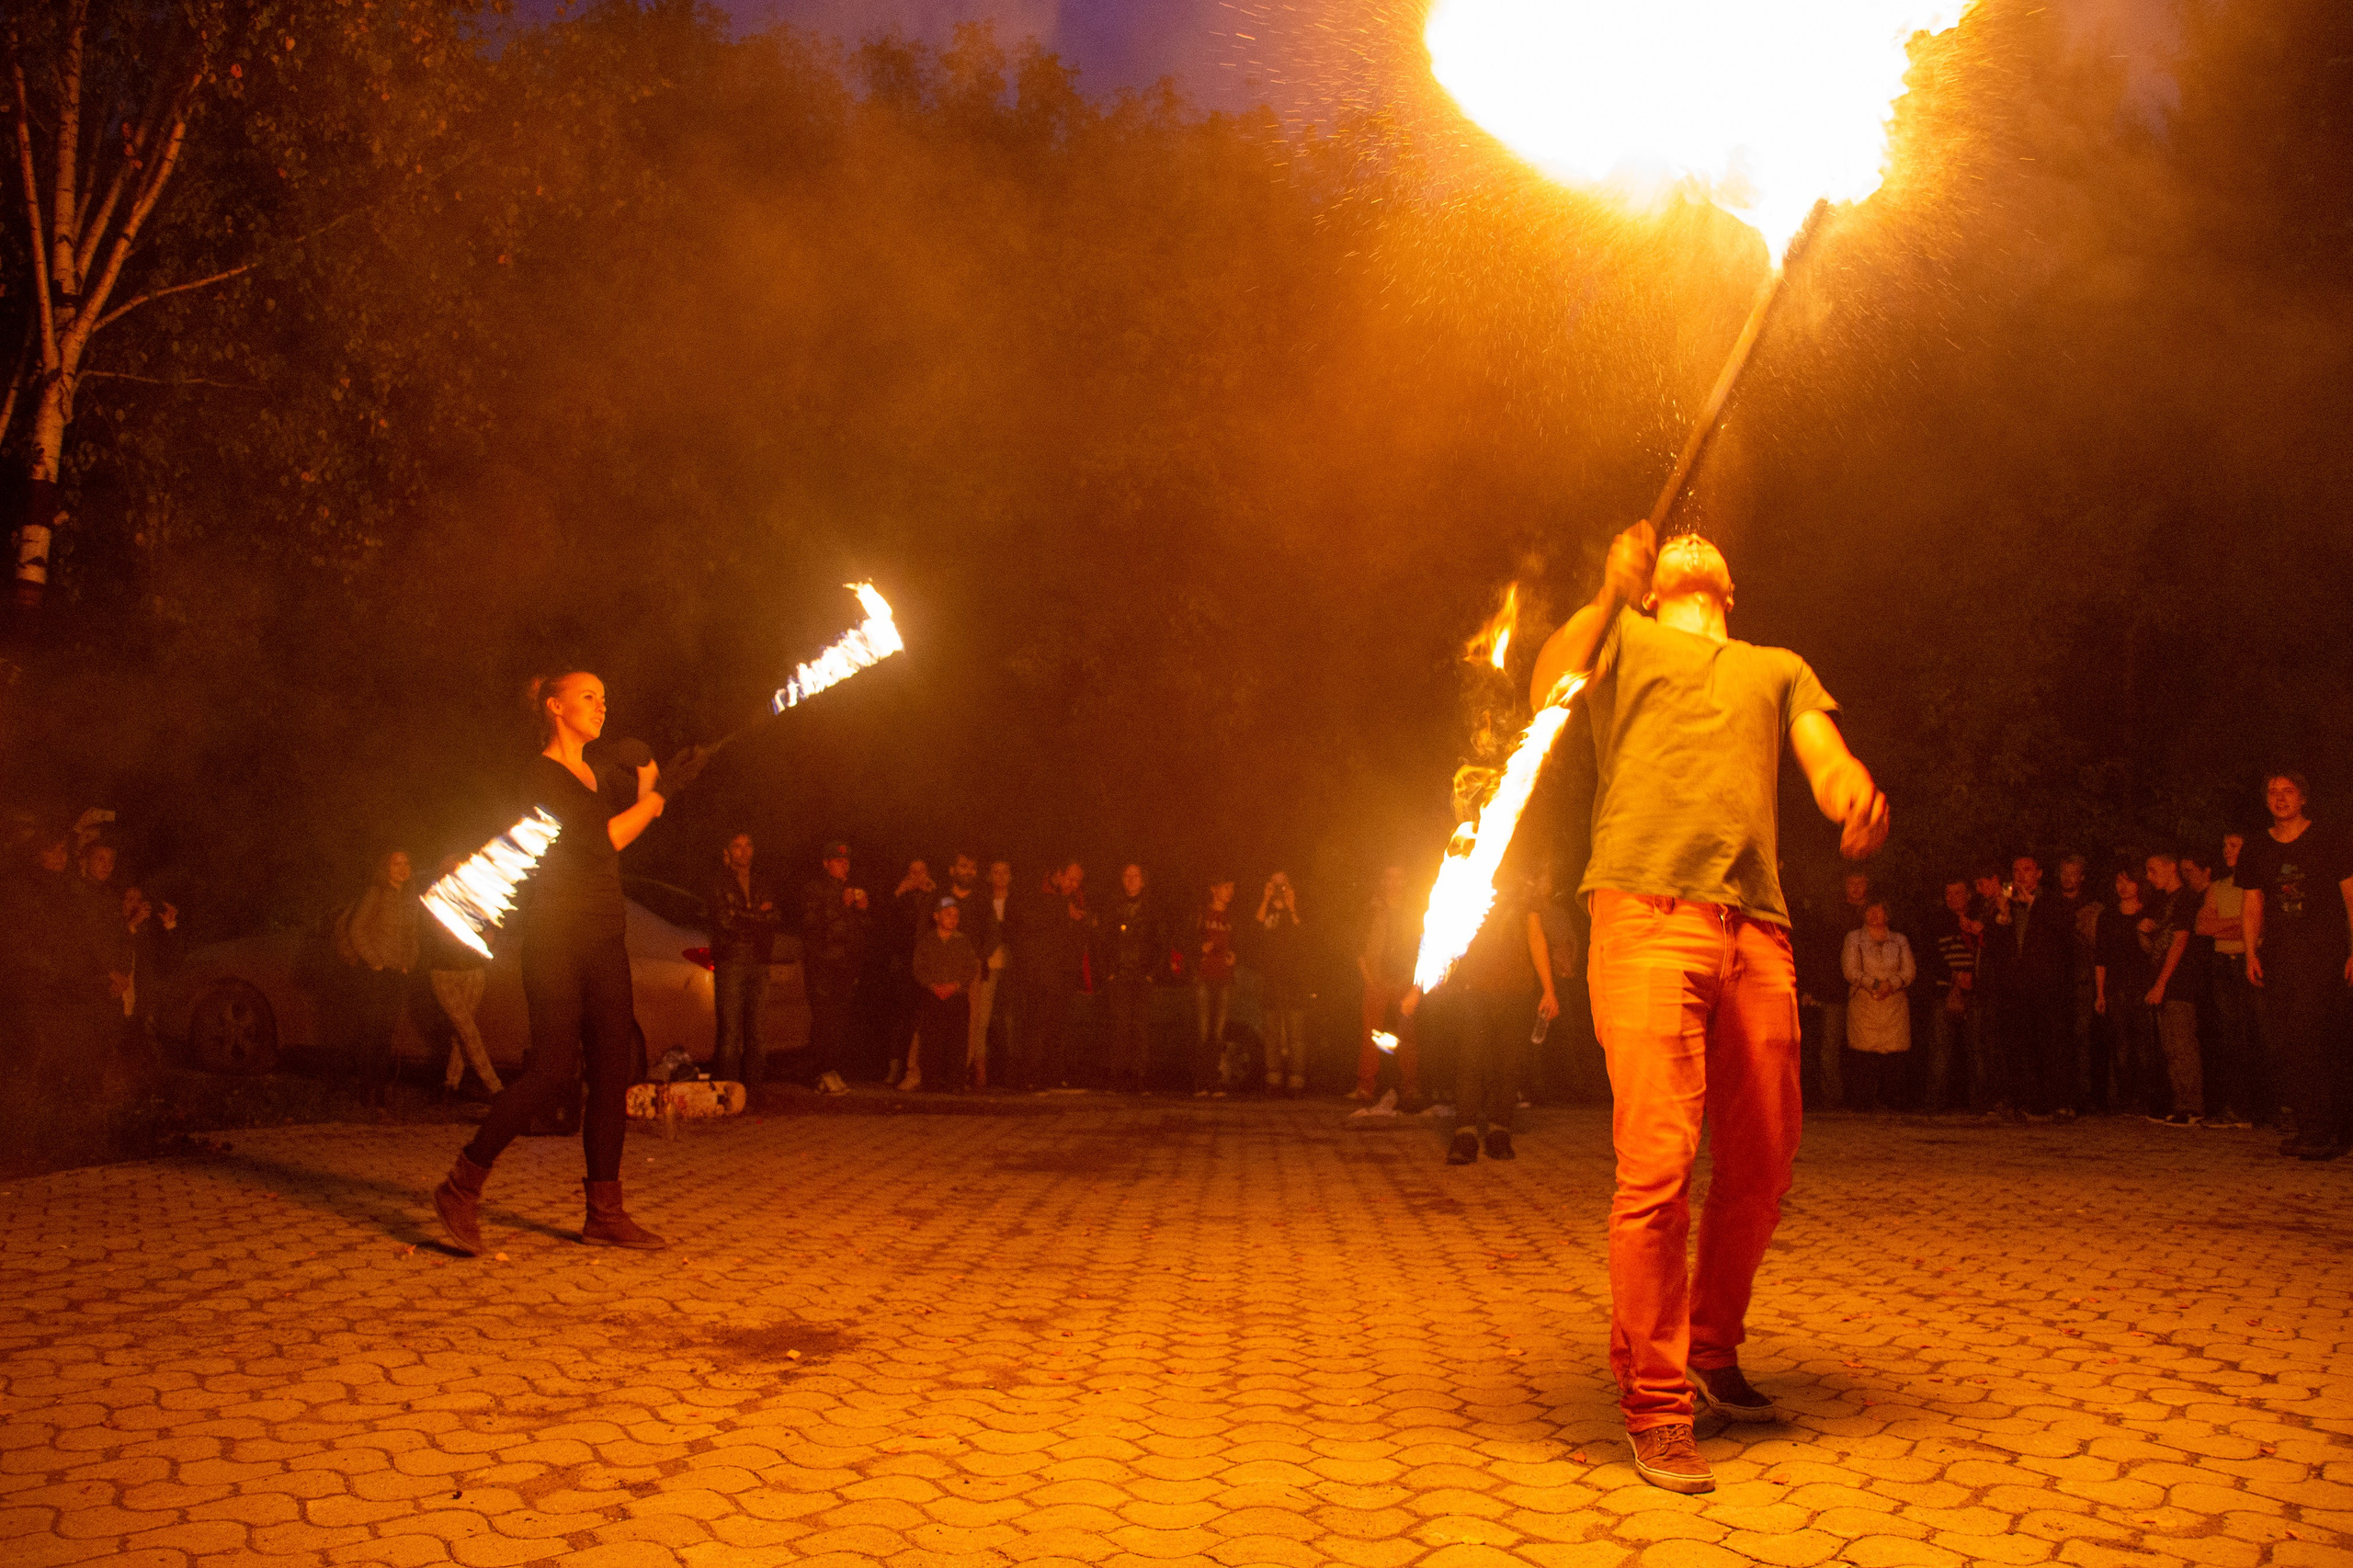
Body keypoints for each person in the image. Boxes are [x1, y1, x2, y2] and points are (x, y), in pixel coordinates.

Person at [1526, 521, 1887, 1494]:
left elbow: (1824, 759)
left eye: (1705, 541)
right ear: (1651, 584)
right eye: (1673, 544)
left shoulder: (1776, 666)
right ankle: (1654, 1402)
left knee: (1765, 1156)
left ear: (1730, 580)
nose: (1690, 542)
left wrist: (1852, 792)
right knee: (1658, 1168)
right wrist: (1606, 594)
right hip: (1644, 911)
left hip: (1754, 925)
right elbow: (1545, 691)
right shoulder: (1621, 636)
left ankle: (1711, 1343)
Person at [432, 668, 681, 1255]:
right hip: (555, 936)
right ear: (554, 706)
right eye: (588, 696)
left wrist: (650, 783)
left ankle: (604, 1212)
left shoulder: (591, 775)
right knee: (549, 1072)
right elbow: (604, 840)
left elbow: (613, 834)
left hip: (603, 936)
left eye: (605, 697)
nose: (601, 706)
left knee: (612, 1074)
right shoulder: (538, 775)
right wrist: (657, 798)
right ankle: (460, 1186)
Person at [2238, 773, 2353, 1160]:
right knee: (2289, 1043)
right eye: (2272, 792)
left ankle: (2328, 1130)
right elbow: (2253, 903)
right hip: (2281, 957)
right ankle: (2311, 1125)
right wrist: (2252, 952)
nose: (2280, 798)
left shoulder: (2329, 838)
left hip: (2325, 954)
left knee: (2321, 1037)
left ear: (2303, 798)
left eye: (2288, 791)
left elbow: (2352, 896)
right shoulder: (2256, 847)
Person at [1416, 876, 1552, 1163]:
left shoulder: (1523, 891)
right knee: (1470, 1058)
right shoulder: (1469, 878)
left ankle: (1499, 1130)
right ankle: (1464, 1133)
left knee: (1510, 1061)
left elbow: (1535, 936)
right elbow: (1446, 933)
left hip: (1516, 988)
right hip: (1474, 988)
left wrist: (1549, 989)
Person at [1979, 856, 2072, 1120]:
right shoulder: (2006, 905)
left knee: (2052, 1044)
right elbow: (1993, 948)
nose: (2020, 875)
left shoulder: (2053, 902)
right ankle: (2028, 1101)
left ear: (2040, 873)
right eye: (2016, 870)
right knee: (2021, 1046)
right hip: (2016, 988)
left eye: (2027, 870)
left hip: (2047, 986)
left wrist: (2032, 904)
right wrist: (2003, 917)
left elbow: (2064, 930)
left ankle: (2059, 1102)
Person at [2196, 837, 2264, 1127]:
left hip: (2251, 963)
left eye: (2234, 845)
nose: (2227, 851)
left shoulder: (2259, 885)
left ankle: (2267, 1107)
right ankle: (2237, 1107)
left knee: (2258, 1034)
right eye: (2224, 846)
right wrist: (2240, 924)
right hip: (2222, 965)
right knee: (2230, 1036)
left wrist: (2228, 927)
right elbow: (2202, 926)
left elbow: (2262, 923)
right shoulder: (2218, 887)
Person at [344, 849, 420, 1108]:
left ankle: (380, 1091)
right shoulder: (376, 893)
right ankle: (366, 1092)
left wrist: (409, 962)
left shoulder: (410, 897)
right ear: (385, 868)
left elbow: (413, 934)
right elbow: (356, 929)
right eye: (396, 864)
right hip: (376, 974)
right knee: (372, 1031)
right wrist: (374, 960)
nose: (402, 868)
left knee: (386, 1033)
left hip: (398, 973)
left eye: (406, 863)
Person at [423, 854, 502, 1102]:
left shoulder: (477, 898)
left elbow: (490, 932)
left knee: (463, 1032)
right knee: (467, 1029)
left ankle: (451, 1084)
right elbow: (442, 936)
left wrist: (479, 938)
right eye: (449, 869)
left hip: (472, 972)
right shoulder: (434, 900)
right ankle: (495, 1087)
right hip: (444, 972)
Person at [709, 832, 784, 1087]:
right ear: (727, 852)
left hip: (759, 960)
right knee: (729, 1032)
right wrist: (757, 915)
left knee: (757, 1032)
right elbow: (725, 921)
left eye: (748, 845)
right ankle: (728, 1091)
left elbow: (775, 916)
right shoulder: (719, 882)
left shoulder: (763, 881)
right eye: (737, 846)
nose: (744, 851)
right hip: (731, 960)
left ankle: (754, 1089)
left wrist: (747, 915)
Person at [800, 841, 869, 1096]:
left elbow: (858, 932)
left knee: (839, 1023)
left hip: (844, 967)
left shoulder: (848, 890)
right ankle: (818, 1073)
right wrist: (843, 905)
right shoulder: (813, 890)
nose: (844, 865)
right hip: (822, 968)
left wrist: (862, 912)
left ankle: (832, 1069)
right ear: (825, 864)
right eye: (839, 861)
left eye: (846, 861)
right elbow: (813, 927)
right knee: (824, 1021)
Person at [2141, 850, 2205, 1126]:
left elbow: (2180, 942)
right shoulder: (2162, 901)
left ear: (2171, 868)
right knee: (2170, 1045)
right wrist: (2143, 932)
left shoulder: (2185, 899)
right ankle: (2179, 1101)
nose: (2149, 876)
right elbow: (2156, 946)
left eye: (2153, 869)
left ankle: (2192, 1106)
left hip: (2179, 982)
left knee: (2181, 1044)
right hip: (2164, 980)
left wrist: (2161, 983)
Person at [1016, 861, 1092, 1089]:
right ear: (1057, 874)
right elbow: (1027, 922)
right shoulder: (1035, 892)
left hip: (1065, 971)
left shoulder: (1077, 899)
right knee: (1038, 1023)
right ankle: (1030, 1076)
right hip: (1040, 971)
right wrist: (1061, 910)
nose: (1074, 884)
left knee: (1059, 1025)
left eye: (1078, 880)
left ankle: (1054, 1075)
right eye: (1070, 878)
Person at [1354, 866, 1424, 1110]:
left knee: (1407, 1034)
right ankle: (1365, 1087)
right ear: (1383, 881)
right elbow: (1359, 943)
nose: (1394, 882)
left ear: (1405, 881)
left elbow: (1423, 944)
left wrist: (1415, 979)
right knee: (1371, 1033)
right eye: (1389, 877)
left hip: (1404, 979)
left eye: (1399, 877)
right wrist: (1367, 976)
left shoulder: (1415, 911)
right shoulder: (1372, 909)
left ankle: (1410, 1086)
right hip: (1377, 978)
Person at [1839, 899, 1915, 1111]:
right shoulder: (1854, 939)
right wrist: (1873, 983)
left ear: (1887, 914)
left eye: (1879, 910)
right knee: (1864, 1053)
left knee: (1893, 1055)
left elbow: (1909, 971)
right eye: (1869, 910)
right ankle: (1863, 1102)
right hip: (1865, 1004)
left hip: (1894, 1005)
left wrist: (1892, 984)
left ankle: (1892, 1101)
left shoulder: (1900, 941)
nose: (1874, 914)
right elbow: (1850, 970)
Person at [1804, 871, 1871, 1110]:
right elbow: (1822, 954)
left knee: (1865, 1045)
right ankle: (1832, 1097)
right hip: (1836, 990)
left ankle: (1862, 1096)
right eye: (1851, 884)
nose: (1855, 888)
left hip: (1869, 993)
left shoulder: (1875, 915)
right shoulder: (1833, 916)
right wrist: (1815, 987)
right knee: (1830, 1046)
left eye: (1860, 883)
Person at [2094, 870, 2159, 1114]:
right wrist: (2100, 992)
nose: (2122, 886)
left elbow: (2154, 952)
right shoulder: (2108, 916)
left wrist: (2146, 933)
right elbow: (2101, 956)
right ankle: (2125, 1096)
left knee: (2144, 1043)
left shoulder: (2149, 914)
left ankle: (2146, 1097)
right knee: (2120, 1043)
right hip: (2116, 986)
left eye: (2128, 881)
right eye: (2118, 881)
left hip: (2142, 985)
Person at [1924, 879, 1984, 1114]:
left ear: (1967, 894)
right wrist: (1953, 978)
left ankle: (1980, 1104)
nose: (1952, 898)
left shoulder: (1980, 919)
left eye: (1957, 893)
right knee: (1940, 1049)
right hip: (1944, 991)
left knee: (1976, 1049)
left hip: (1975, 992)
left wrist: (1973, 978)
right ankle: (1934, 1104)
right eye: (1948, 893)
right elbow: (1931, 956)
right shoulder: (1937, 922)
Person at [2049, 854, 2101, 1114]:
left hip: (2082, 979)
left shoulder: (2092, 908)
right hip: (2056, 980)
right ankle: (2061, 1095)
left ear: (2082, 876)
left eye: (2073, 873)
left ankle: (2084, 1095)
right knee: (2058, 1039)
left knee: (2082, 1038)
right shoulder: (2050, 904)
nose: (2068, 878)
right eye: (2064, 873)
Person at [1102, 863, 1163, 1092]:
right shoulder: (1113, 906)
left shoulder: (1152, 908)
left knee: (1140, 1028)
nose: (1130, 880)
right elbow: (1104, 940)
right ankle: (1116, 1078)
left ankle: (1139, 1078)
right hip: (1119, 976)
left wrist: (1151, 973)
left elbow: (1161, 943)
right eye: (1127, 876)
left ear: (1143, 880)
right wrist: (1109, 971)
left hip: (1141, 976)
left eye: (1135, 876)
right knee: (1119, 1027)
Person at [911, 895, 981, 1091]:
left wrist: (956, 985)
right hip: (933, 997)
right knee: (932, 1038)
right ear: (936, 916)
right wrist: (932, 986)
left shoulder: (963, 941)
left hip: (956, 997)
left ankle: (955, 1081)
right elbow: (919, 968)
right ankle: (931, 1080)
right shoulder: (927, 941)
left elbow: (970, 968)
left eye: (956, 915)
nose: (952, 919)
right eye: (948, 915)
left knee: (957, 1040)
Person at [1254, 872, 1311, 1096]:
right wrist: (1266, 899)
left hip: (1294, 980)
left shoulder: (1296, 907)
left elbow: (1304, 936)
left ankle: (1297, 1078)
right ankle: (1274, 1078)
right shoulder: (1265, 908)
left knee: (1296, 1032)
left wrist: (1292, 907)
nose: (1279, 887)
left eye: (1283, 883)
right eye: (1275, 883)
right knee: (1272, 1031)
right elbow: (1255, 931)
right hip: (1270, 978)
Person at [884, 858, 937, 1086]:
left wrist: (934, 893)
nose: (917, 877)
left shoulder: (932, 896)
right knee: (900, 1018)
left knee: (922, 1017)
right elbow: (886, 925)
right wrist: (897, 894)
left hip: (925, 964)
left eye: (921, 872)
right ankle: (894, 1069)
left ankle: (918, 1069)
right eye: (912, 872)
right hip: (903, 965)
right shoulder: (900, 897)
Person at [967, 858, 1015, 1087]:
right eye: (996, 872)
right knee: (982, 1019)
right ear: (989, 876)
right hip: (989, 964)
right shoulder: (981, 901)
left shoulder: (1016, 903)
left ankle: (1010, 1070)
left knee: (1009, 1019)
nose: (1000, 876)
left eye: (1005, 872)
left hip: (1012, 966)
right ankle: (979, 1069)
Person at [1190, 877, 1239, 1096]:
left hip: (1224, 978)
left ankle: (1215, 1082)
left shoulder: (1231, 917)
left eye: (1232, 888)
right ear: (1214, 888)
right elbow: (1188, 940)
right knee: (1203, 1031)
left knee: (1218, 1033)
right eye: (1226, 887)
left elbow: (1238, 943)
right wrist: (1201, 947)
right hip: (1204, 976)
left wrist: (1234, 956)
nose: (1230, 892)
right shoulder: (1202, 913)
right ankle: (1200, 1083)